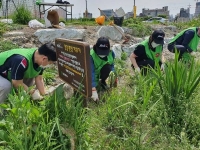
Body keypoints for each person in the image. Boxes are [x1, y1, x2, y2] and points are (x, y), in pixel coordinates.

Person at [90, 37, 116, 101]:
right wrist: (93, 89)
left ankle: (102, 81)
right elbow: (91, 72)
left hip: (102, 71)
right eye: (100, 51)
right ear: (95, 47)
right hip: (93, 74)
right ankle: (95, 85)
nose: (102, 54)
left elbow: (112, 65)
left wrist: (113, 73)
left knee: (108, 68)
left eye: (104, 52)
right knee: (91, 92)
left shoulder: (111, 53)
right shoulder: (91, 55)